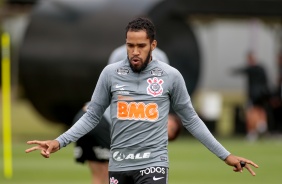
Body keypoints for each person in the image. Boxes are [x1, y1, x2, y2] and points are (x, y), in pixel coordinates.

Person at [25, 17, 258, 184]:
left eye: (141, 46)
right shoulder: (110, 73)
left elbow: (192, 121)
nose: (134, 51)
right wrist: (59, 142)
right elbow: (92, 116)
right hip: (119, 165)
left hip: (153, 165)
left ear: (152, 46)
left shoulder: (170, 76)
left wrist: (226, 156)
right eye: (130, 45)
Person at [73, 45, 181, 184]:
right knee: (113, 174)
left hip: (86, 117)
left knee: (100, 176)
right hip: (100, 122)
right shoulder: (147, 112)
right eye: (170, 128)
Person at [233, 51, 269, 141]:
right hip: (262, 94)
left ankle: (253, 131)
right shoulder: (261, 68)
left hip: (254, 95)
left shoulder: (252, 69)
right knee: (260, 110)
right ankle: (261, 125)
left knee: (251, 112)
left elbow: (240, 70)